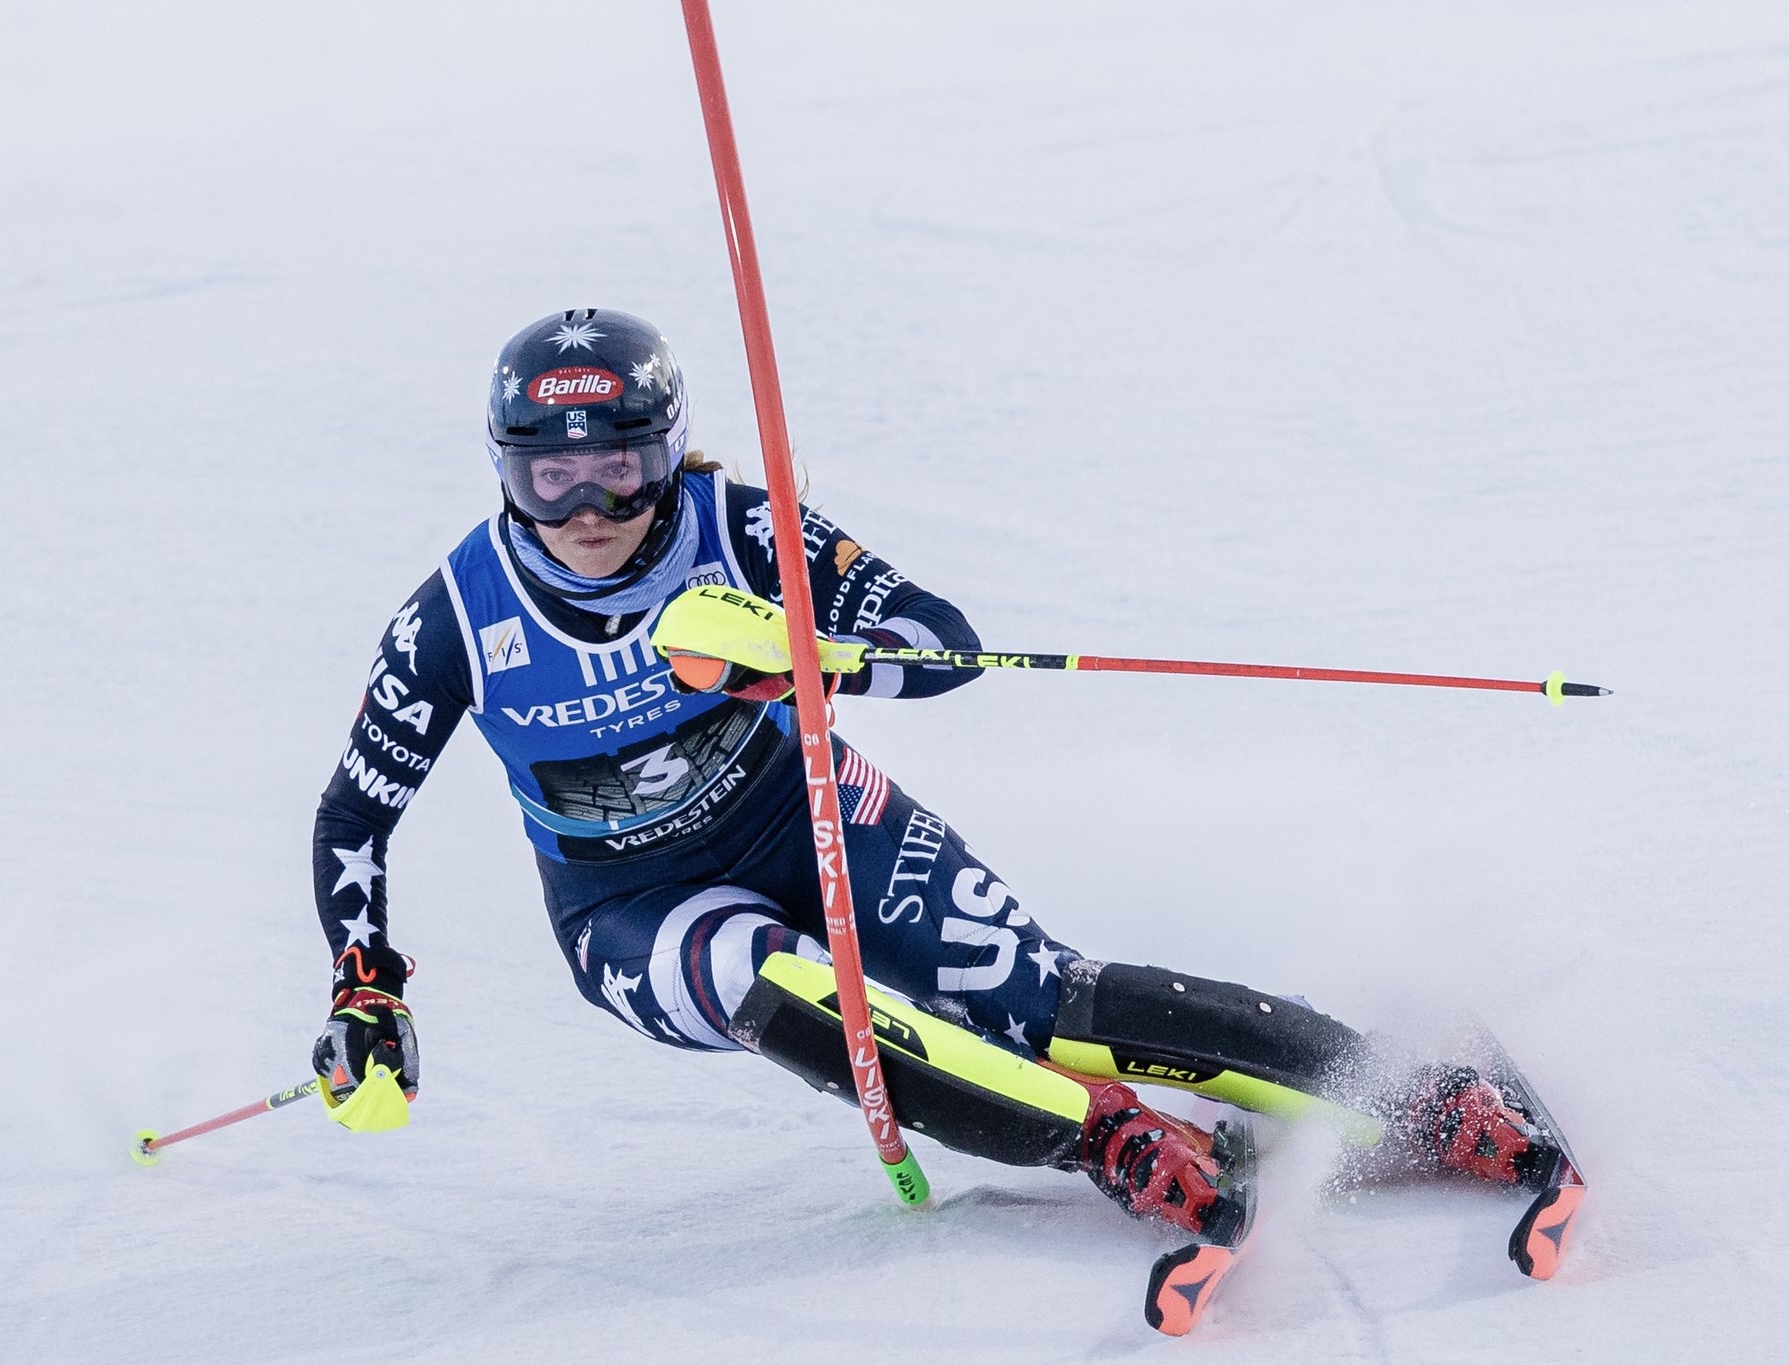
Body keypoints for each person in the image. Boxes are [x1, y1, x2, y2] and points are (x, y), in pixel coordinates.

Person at [308, 307, 1556, 1238]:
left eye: (618, 464)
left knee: (1039, 1001)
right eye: (550, 474)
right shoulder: (456, 618)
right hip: (628, 908)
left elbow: (940, 642)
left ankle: (1407, 1094)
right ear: (506, 470)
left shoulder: (741, 531)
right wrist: (364, 986)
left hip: (805, 814)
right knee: (780, 984)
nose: (587, 502)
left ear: (665, 451)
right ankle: (1107, 1141)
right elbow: (355, 814)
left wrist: (801, 662)